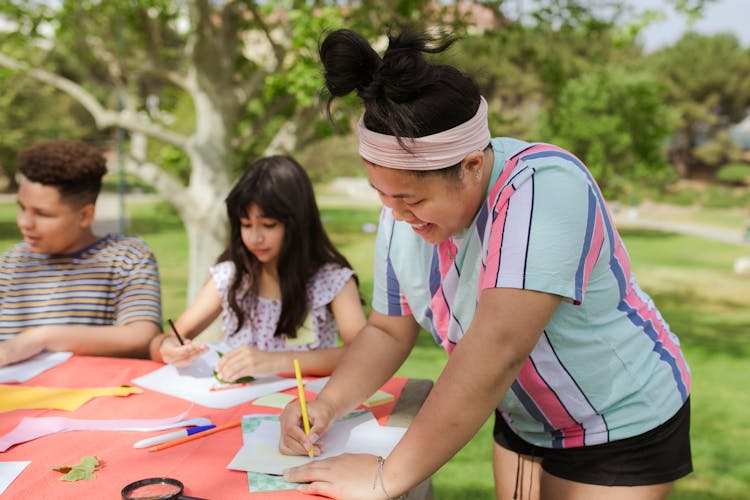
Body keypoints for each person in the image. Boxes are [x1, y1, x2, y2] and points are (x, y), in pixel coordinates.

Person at [279, 29, 692, 500]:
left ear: (473, 166)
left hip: (619, 419)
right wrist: (326, 404)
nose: (395, 214)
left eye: (410, 198)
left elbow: (496, 351)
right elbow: (387, 331)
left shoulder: (545, 190)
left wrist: (384, 477)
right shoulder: (400, 217)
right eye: (382, 195)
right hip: (526, 418)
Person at [149, 156, 366, 380]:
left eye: (268, 225)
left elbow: (364, 355)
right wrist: (169, 348)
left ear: (298, 223)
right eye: (245, 224)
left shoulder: (331, 281)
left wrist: (275, 361)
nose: (255, 237)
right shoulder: (232, 277)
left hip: (306, 406)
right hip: (238, 405)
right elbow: (160, 342)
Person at [0, 140, 162, 366]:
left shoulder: (126, 258)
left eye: (42, 214)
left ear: (85, 216)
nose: (24, 223)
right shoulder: (12, 262)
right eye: (21, 208)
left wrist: (43, 338)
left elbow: (142, 336)